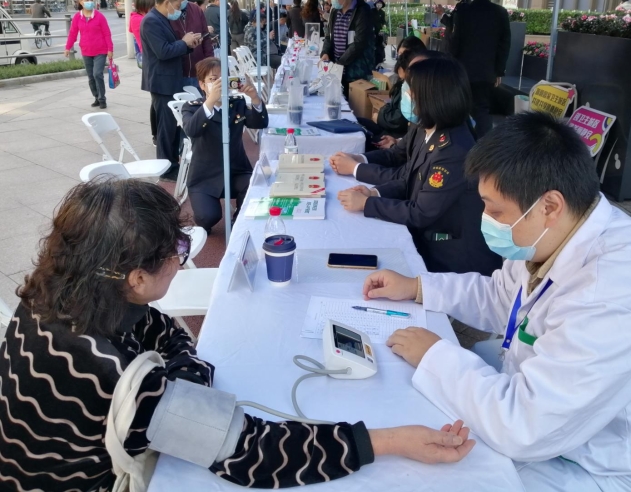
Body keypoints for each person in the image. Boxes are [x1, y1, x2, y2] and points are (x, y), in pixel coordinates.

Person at [0, 178, 477, 491]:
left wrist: (184, 382)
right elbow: (251, 455)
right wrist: (388, 441)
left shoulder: (55, 293)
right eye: (176, 250)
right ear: (137, 277)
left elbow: (166, 335)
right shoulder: (112, 371)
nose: (180, 258)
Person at [361, 111, 631, 492]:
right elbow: (501, 296)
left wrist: (434, 356)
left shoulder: (612, 295)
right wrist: (419, 288)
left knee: (436, 473)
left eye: (495, 210)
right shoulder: (554, 233)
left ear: (549, 206)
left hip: (620, 467)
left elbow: (524, 427)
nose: (486, 220)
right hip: (566, 427)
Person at [331, 58, 501, 275]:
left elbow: (421, 212)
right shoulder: (428, 129)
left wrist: (367, 204)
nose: (408, 95)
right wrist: (374, 193)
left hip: (453, 260)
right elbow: (408, 178)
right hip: (429, 239)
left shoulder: (453, 150)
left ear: (431, 96)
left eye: (412, 90)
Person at [181, 58, 267, 232]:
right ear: (202, 85)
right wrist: (211, 101)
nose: (219, 84)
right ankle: (205, 211)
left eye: (223, 79)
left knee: (255, 188)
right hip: (204, 176)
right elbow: (192, 130)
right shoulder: (192, 108)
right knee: (208, 217)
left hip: (236, 171)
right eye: (213, 79)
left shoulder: (236, 104)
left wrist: (255, 98)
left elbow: (260, 123)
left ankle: (239, 219)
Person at [141, 0, 202, 181]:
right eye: (177, 4)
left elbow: (172, 47)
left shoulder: (162, 18)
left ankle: (172, 162)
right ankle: (166, 168)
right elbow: (163, 51)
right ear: (167, 2)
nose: (178, 8)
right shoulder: (151, 21)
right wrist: (184, 42)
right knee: (166, 128)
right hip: (162, 82)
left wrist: (188, 45)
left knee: (173, 127)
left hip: (171, 79)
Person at [449, 0, 510, 139]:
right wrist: (499, 71)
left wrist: (451, 63)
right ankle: (484, 145)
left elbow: (455, 40)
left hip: (463, 70)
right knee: (482, 109)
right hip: (487, 72)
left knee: (460, 107)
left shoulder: (463, 10)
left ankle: (463, 141)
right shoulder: (500, 12)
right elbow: (504, 45)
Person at [356, 47, 427, 151]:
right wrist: (397, 142)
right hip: (393, 133)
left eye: (408, 81)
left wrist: (380, 117)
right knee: (356, 123)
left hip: (393, 131)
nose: (408, 91)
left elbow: (399, 121)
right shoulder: (401, 86)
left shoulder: (423, 121)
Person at [64, 0, 113, 109]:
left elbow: (107, 33)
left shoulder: (99, 16)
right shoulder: (77, 17)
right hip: (86, 51)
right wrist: (68, 47)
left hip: (100, 50)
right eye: (86, 0)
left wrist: (110, 49)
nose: (89, 2)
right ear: (80, 2)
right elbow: (72, 34)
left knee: (97, 74)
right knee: (91, 77)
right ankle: (96, 97)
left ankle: (102, 99)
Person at [321, 0, 375, 97]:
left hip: (355, 72)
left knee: (352, 103)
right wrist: (325, 52)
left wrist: (339, 63)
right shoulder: (334, 11)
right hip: (337, 71)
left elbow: (359, 42)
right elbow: (329, 36)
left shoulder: (362, 10)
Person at [129, 0, 157, 146]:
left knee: (156, 100)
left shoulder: (145, 18)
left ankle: (157, 134)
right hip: (150, 61)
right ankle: (155, 134)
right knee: (156, 101)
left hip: (151, 60)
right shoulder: (140, 20)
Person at [170, 0, 214, 88]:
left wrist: (210, 63)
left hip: (198, 71)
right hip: (178, 72)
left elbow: (206, 38)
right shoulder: (168, 12)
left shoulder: (196, 10)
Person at [371, 0, 386, 66]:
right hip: (372, 30)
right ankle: (373, 58)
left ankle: (380, 58)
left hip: (379, 31)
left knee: (380, 44)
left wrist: (383, 28)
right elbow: (369, 19)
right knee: (373, 44)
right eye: (378, 3)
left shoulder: (382, 13)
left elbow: (383, 21)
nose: (379, 5)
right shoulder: (372, 11)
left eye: (380, 3)